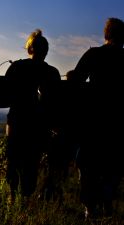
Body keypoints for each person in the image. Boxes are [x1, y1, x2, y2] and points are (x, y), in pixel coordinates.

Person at [68, 17, 124, 218]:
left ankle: (90, 209)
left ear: (106, 34)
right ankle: (107, 205)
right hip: (118, 125)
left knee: (88, 166)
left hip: (93, 123)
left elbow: (76, 83)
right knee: (113, 168)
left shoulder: (94, 54)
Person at [4, 29, 61, 201]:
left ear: (30, 49)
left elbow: (6, 93)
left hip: (16, 120)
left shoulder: (17, 67)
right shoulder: (52, 73)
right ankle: (25, 198)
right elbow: (55, 101)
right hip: (39, 125)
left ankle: (12, 196)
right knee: (31, 163)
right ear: (46, 51)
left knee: (13, 159)